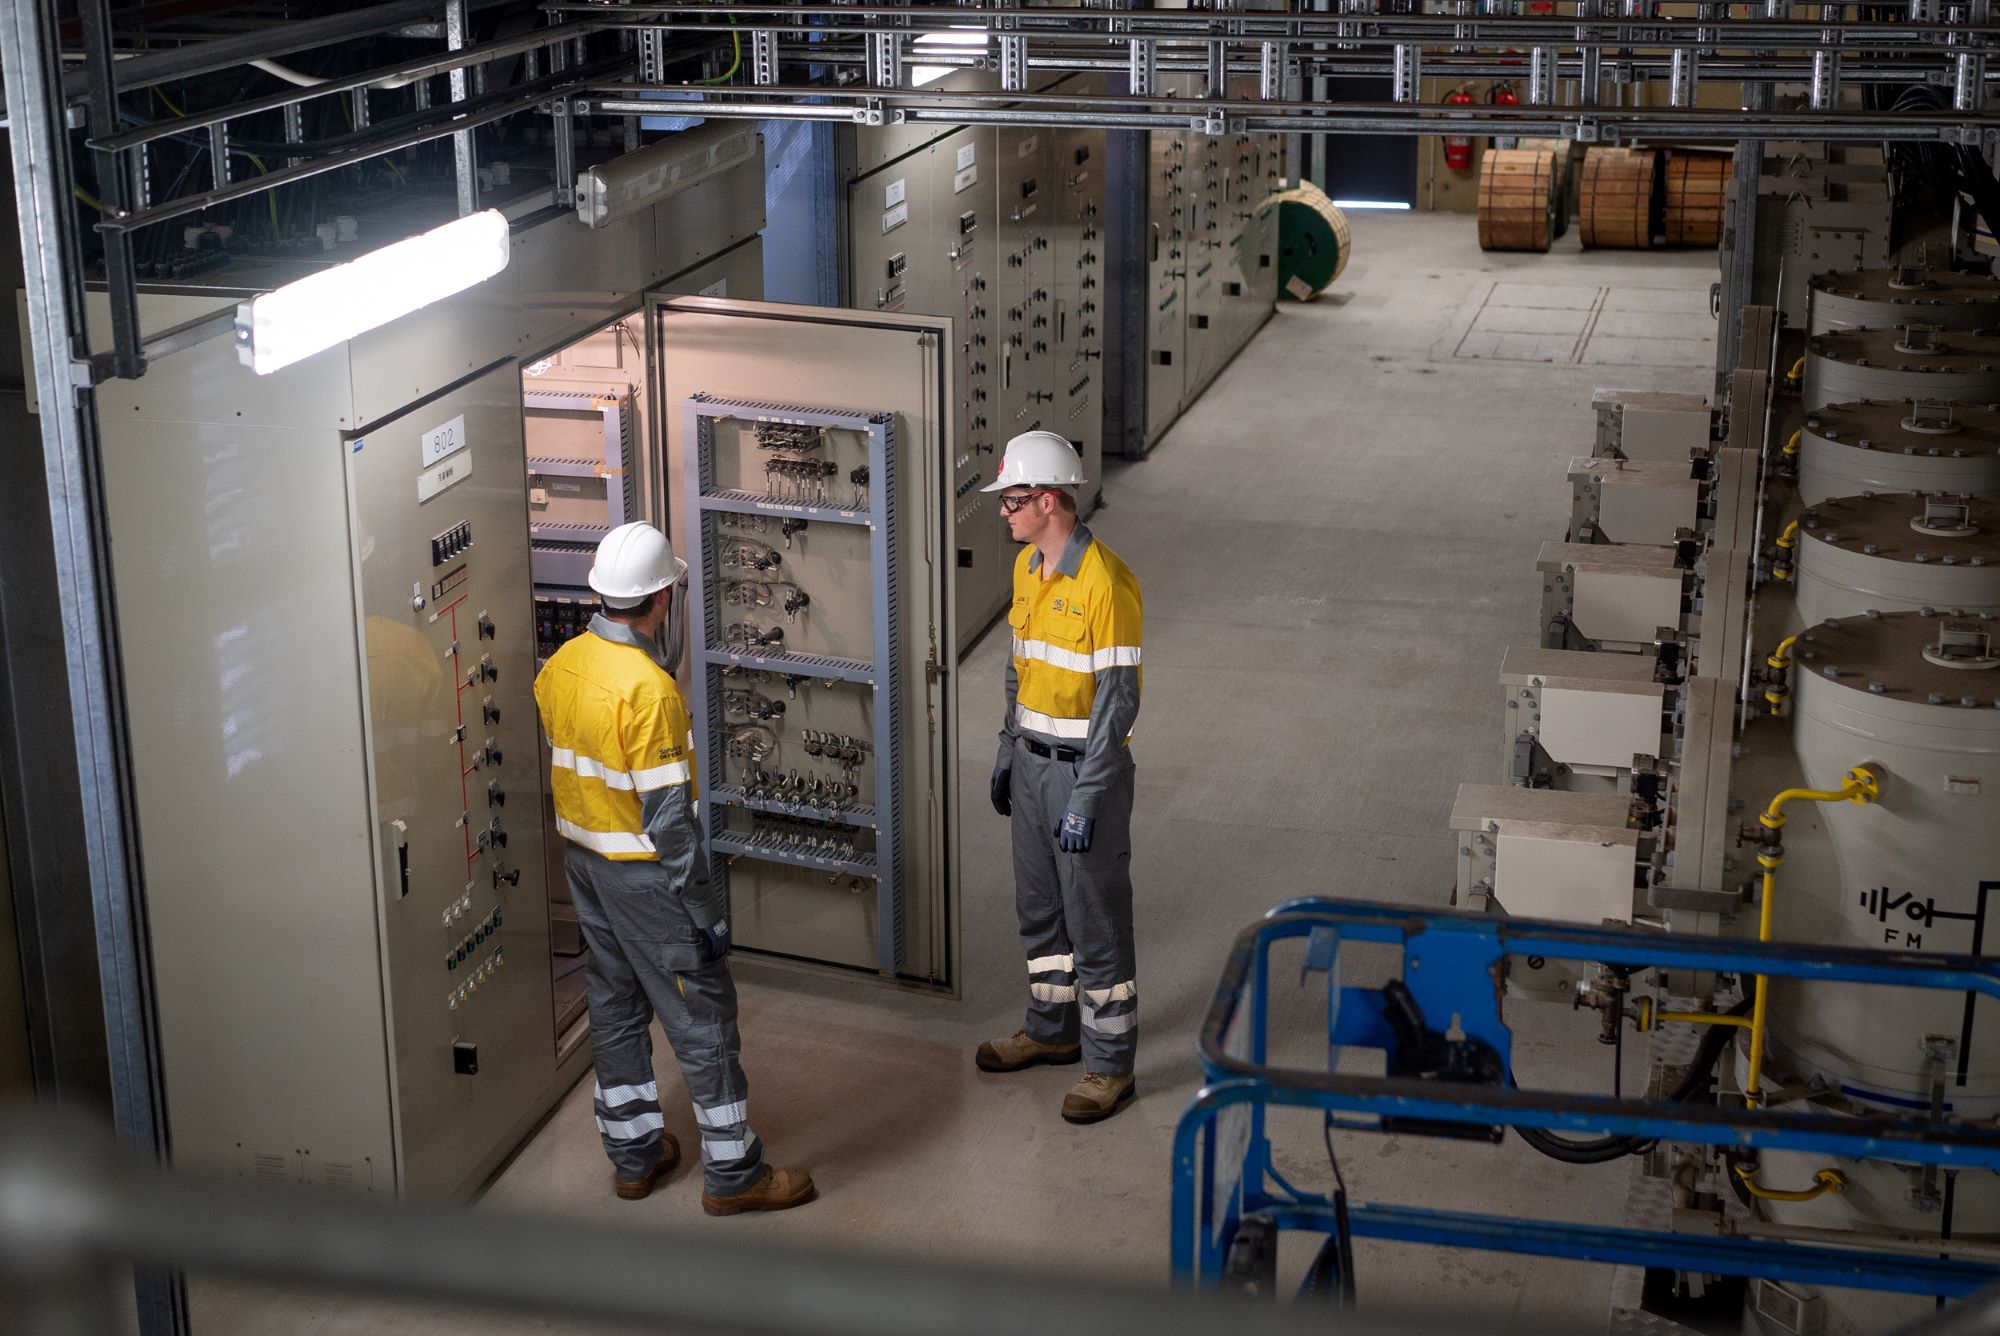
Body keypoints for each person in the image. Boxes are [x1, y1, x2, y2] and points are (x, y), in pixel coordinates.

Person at [534, 522, 816, 1213]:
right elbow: (670, 824)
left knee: (616, 1007)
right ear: (662, 598)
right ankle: (734, 1173)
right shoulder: (650, 693)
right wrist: (706, 912)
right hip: (647, 880)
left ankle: (633, 1157)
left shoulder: (561, 665)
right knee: (704, 1018)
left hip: (586, 868)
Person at [974, 432, 1144, 1124]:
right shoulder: (1026, 570)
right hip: (1035, 770)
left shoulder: (1107, 583)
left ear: (1049, 501)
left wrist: (1091, 795)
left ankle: (1110, 1067)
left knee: (1095, 921)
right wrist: (1007, 749)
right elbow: (1019, 670)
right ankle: (1052, 1033)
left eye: (1012, 500)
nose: (1003, 512)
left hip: (1083, 781)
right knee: (1040, 910)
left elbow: (1119, 701)